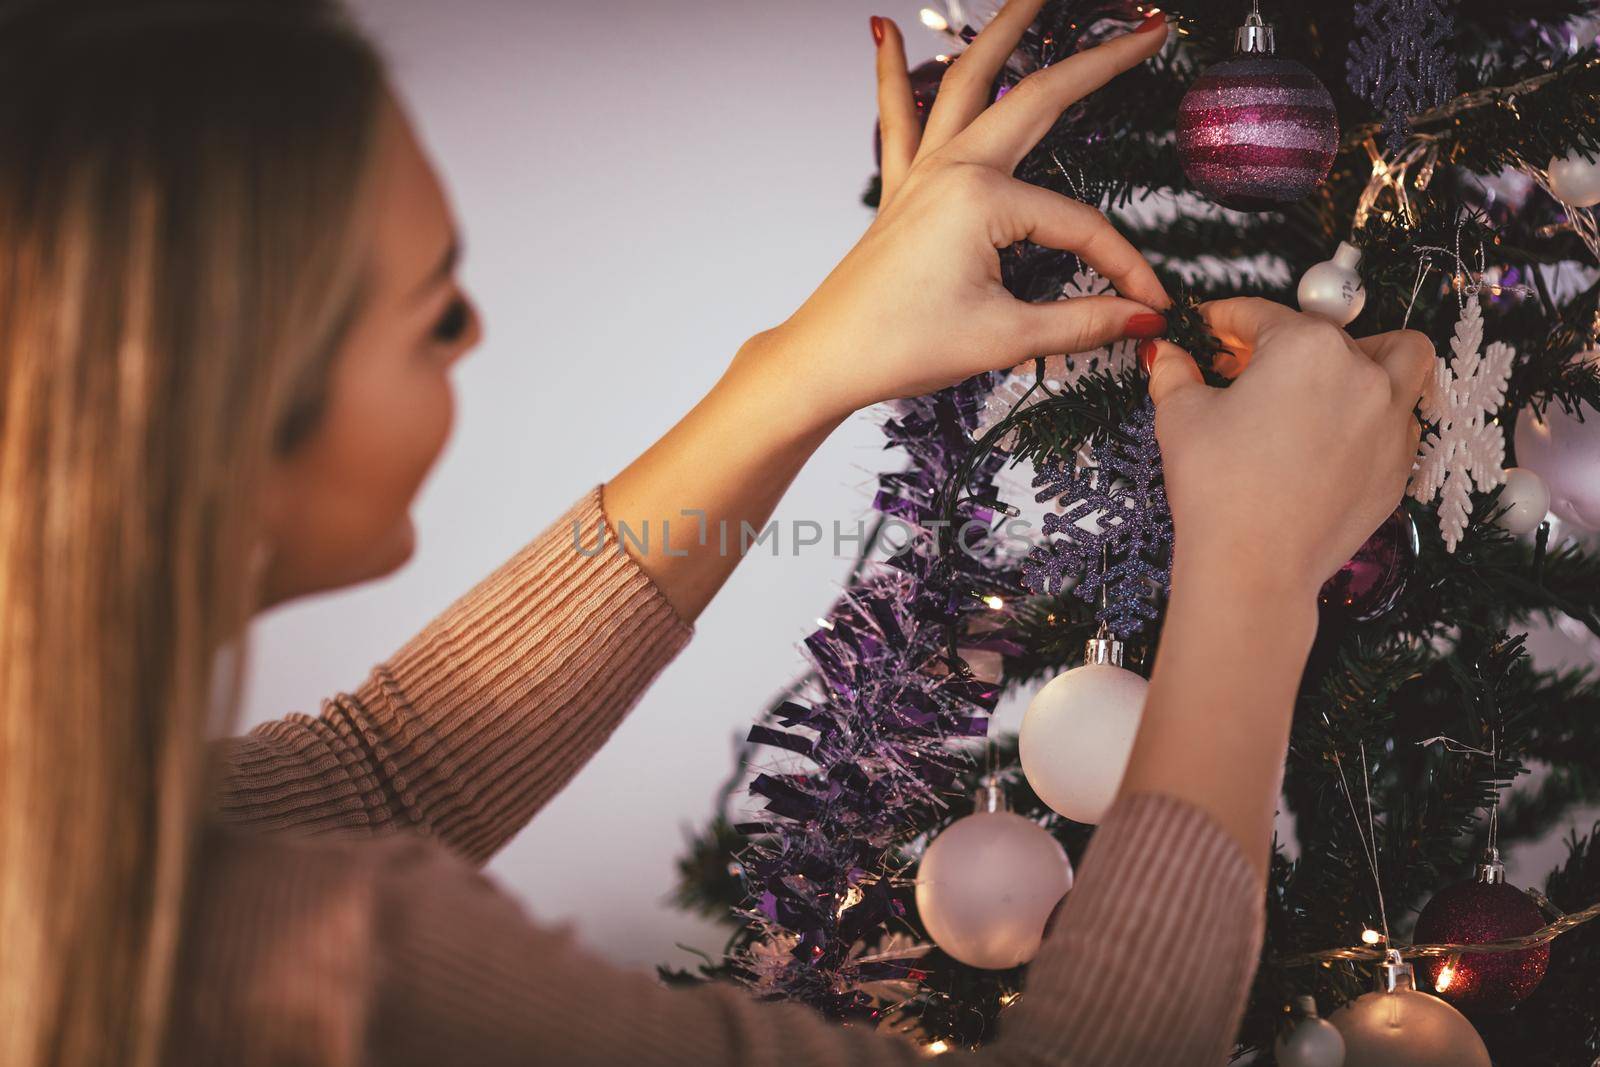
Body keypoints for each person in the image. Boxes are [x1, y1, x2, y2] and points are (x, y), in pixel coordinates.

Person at [0, 0, 1432, 1064]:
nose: (478, 325)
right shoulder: (292, 982)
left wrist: (800, 364)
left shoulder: (75, 833)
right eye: (436, 307)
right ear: (198, 414)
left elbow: (378, 775)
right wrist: (1254, 577)